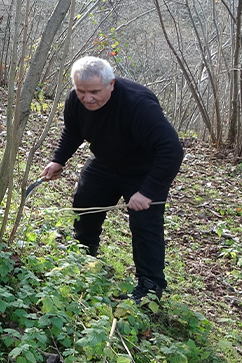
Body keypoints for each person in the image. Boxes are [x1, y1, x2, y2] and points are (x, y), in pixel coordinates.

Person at [41, 56, 184, 302]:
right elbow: (73, 130)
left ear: (111, 84)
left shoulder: (137, 105)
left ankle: (150, 287)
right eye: (81, 91)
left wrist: (148, 192)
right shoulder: (76, 100)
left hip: (143, 170)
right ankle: (84, 257)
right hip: (105, 161)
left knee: (145, 226)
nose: (87, 98)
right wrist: (59, 160)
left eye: (94, 91)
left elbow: (172, 150)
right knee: (84, 204)